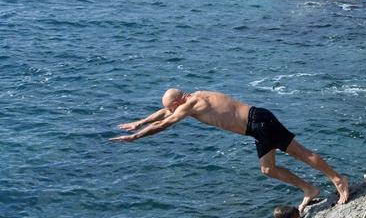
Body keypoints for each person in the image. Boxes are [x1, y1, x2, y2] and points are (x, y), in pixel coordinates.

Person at [111, 89, 349, 211]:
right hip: (256, 125)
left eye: (172, 107)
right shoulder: (192, 97)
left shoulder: (192, 104)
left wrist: (136, 137)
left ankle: (338, 180)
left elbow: (165, 122)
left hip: (259, 122)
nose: (172, 110)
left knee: (300, 153)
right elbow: (164, 113)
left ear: (178, 103)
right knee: (268, 169)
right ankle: (309, 189)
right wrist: (139, 121)